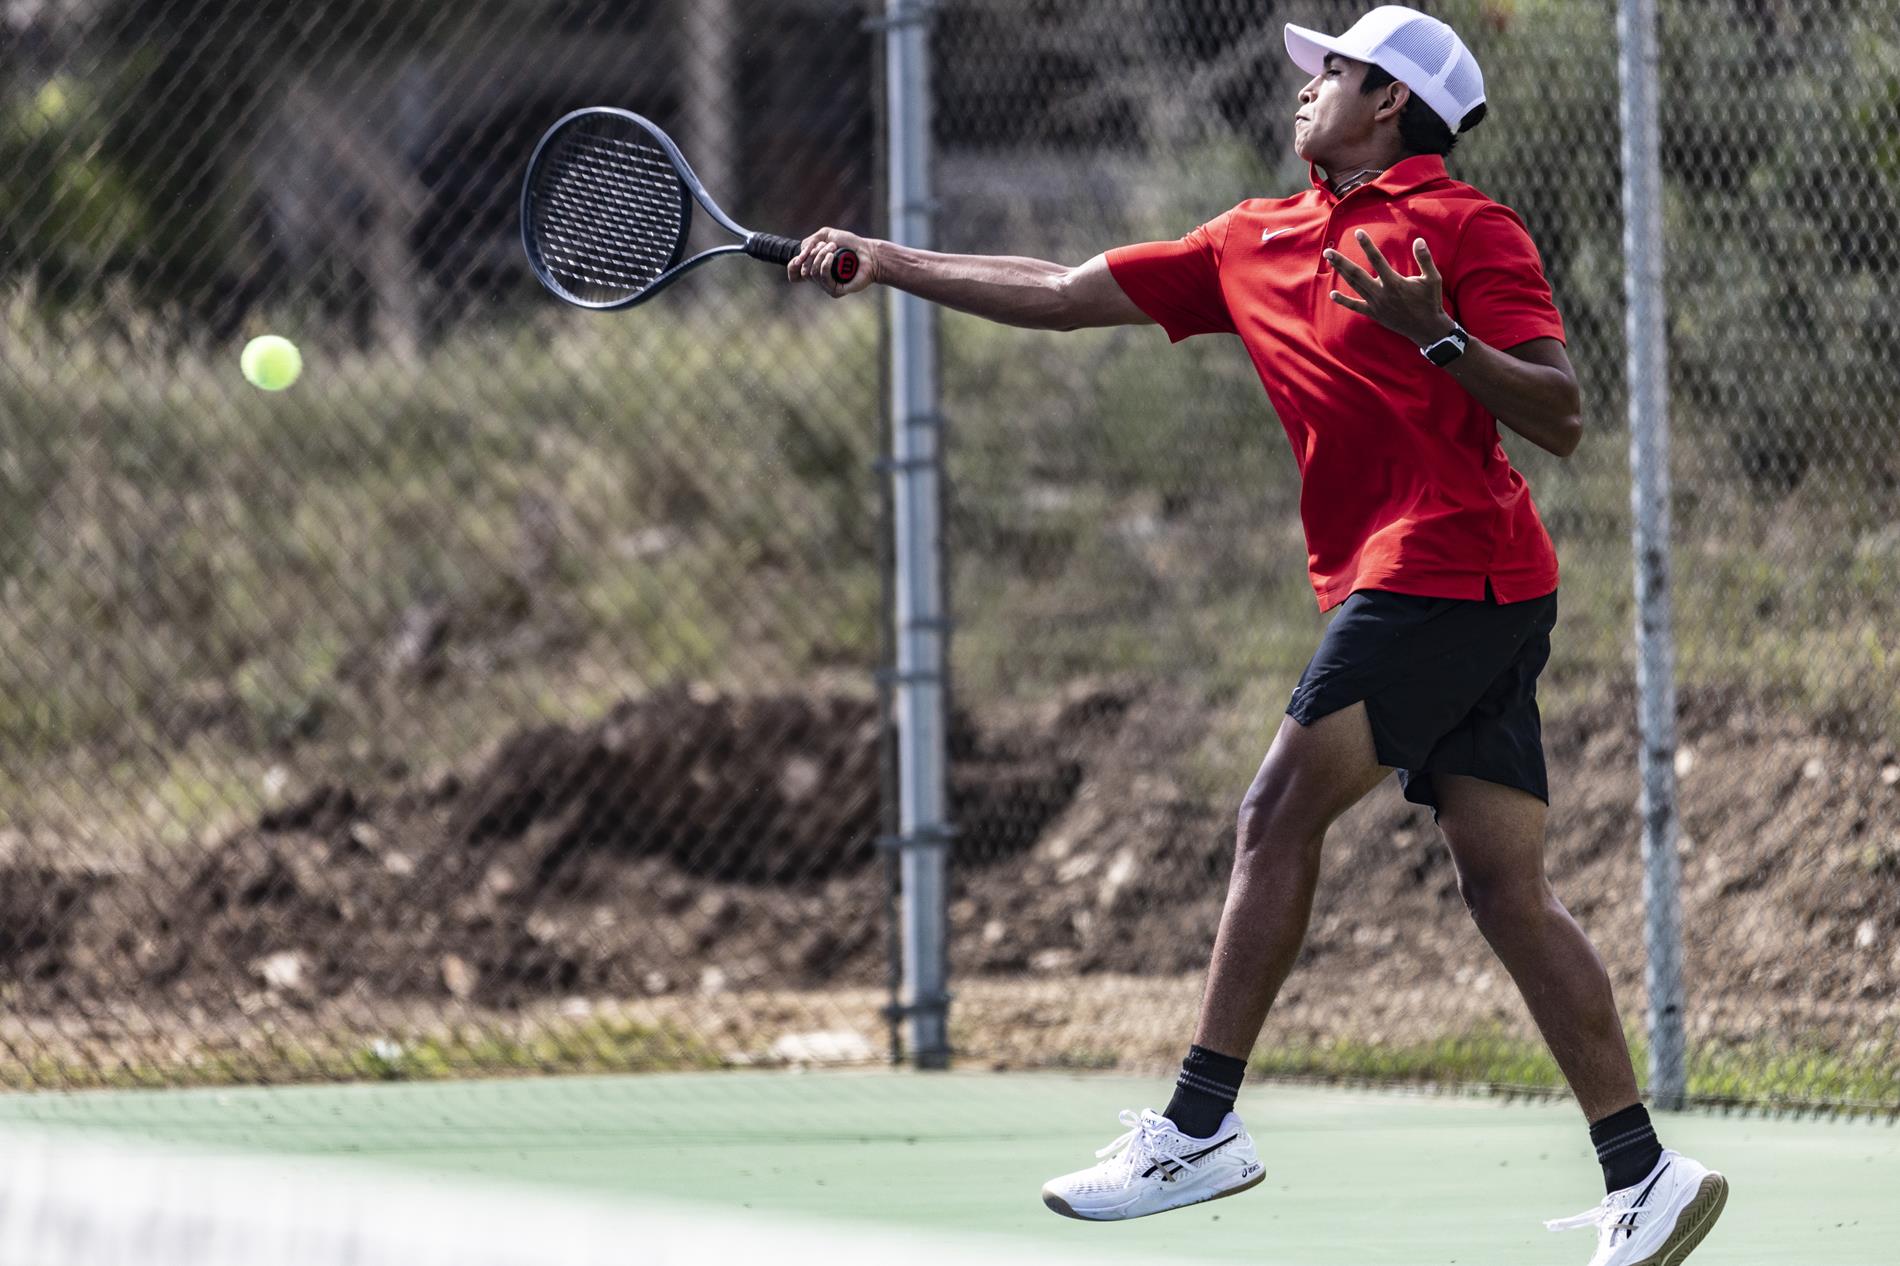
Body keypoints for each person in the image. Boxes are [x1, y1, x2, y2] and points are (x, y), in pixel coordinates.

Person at [787, 6, 1726, 1262]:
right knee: (1506, 890)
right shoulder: (1253, 240)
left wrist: (1435, 335)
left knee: (1272, 814)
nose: (1305, 90)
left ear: (1387, 100)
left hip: (1444, 570)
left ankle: (1197, 1126)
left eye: (1330, 71)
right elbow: (1063, 294)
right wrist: (886, 261)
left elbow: (1556, 410)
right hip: (1455, 589)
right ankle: (1642, 1173)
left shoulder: (1463, 226)